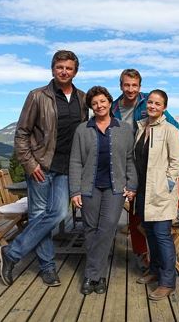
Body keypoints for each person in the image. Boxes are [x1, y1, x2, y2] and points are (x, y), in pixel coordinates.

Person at [0, 50, 88, 287]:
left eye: (69, 68)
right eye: (60, 67)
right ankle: (47, 267)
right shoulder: (37, 96)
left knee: (58, 213)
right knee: (39, 215)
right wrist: (29, 164)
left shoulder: (83, 98)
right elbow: (21, 133)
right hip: (40, 167)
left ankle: (12, 252)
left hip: (67, 168)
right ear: (52, 69)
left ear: (75, 71)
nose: (64, 71)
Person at [112, 69, 179, 269]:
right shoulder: (114, 108)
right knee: (133, 209)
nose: (130, 89)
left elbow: (173, 125)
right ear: (121, 85)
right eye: (126, 85)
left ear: (140, 87)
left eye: (134, 85)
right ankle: (142, 252)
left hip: (155, 160)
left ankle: (169, 208)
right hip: (131, 159)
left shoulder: (149, 102)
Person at [69, 86, 137, 295]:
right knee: (90, 228)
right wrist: (75, 191)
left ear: (109, 102)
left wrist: (132, 184)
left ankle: (91, 274)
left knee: (107, 226)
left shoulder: (124, 129)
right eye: (94, 103)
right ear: (91, 107)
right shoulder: (82, 130)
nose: (99, 106)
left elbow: (129, 159)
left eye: (102, 101)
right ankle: (98, 277)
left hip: (115, 188)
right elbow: (75, 162)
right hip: (89, 187)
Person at [134, 89, 179, 300]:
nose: (152, 106)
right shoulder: (141, 127)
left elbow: (176, 163)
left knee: (163, 236)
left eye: (157, 104)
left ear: (164, 108)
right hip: (144, 191)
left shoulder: (170, 130)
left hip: (161, 192)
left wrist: (167, 185)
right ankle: (154, 271)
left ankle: (167, 282)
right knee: (150, 232)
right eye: (150, 102)